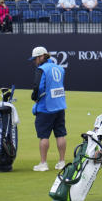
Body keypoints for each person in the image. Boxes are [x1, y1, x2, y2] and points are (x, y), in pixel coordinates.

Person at [28, 44, 69, 176]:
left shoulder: (42, 70)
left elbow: (37, 87)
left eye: (35, 59)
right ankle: (62, 161)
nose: (34, 62)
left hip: (46, 107)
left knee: (44, 136)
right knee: (60, 134)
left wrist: (34, 97)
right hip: (60, 105)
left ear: (41, 57)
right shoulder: (59, 68)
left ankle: (43, 163)